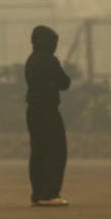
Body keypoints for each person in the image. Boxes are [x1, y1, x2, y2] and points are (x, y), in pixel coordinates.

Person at [25, 25, 71, 206]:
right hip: (49, 111)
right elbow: (64, 82)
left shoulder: (31, 60)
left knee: (38, 152)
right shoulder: (50, 60)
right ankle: (50, 193)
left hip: (33, 111)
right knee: (57, 150)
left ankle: (37, 193)